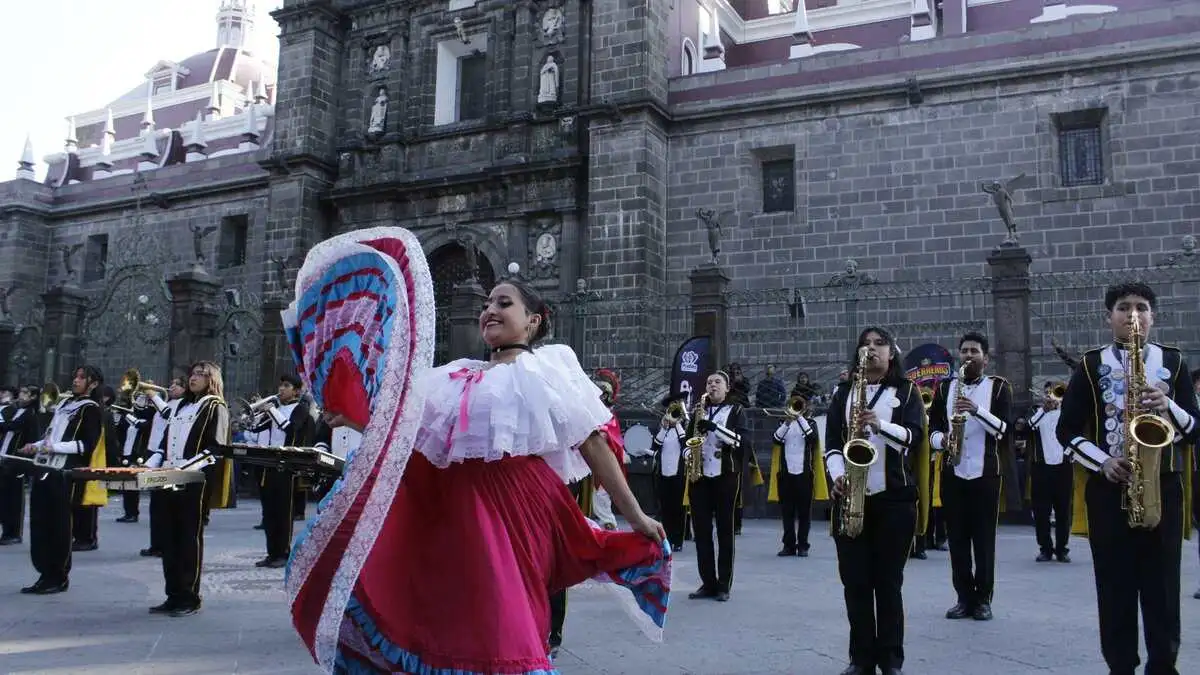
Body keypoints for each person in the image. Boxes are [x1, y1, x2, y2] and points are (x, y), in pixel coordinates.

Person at [283, 229, 669, 675]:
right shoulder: (453, 374)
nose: (489, 310)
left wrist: (635, 516)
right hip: (453, 515)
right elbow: (407, 432)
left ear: (534, 321)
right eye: (487, 303)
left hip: (516, 513)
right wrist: (353, 418)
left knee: (507, 626)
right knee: (456, 621)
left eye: (504, 303)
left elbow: (593, 439)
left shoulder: (547, 365)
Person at [1056, 282, 1198, 675]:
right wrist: (1102, 461)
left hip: (1163, 484)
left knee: (1164, 587)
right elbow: (1066, 431)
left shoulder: (1174, 361)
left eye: (1141, 308)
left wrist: (1166, 404)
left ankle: (1163, 664)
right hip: (1109, 485)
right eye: (1123, 308)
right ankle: (1120, 665)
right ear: (1109, 317)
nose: (1132, 315)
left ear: (1153, 316)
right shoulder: (1090, 364)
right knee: (1114, 585)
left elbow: (1194, 429)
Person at [824, 327, 926, 675]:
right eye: (865, 344)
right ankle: (861, 658)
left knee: (888, 583)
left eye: (879, 344)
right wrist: (838, 475)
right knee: (855, 583)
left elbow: (914, 437)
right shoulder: (843, 393)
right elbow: (832, 446)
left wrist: (880, 424)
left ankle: (891, 660)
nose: (872, 349)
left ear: (892, 353)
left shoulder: (907, 391)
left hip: (894, 498)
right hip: (851, 496)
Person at [928, 331, 1012, 622]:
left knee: (984, 539)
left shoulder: (998, 388)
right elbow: (932, 429)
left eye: (974, 351)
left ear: (985, 359)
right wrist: (943, 441)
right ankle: (963, 597)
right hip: (953, 471)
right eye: (964, 351)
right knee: (958, 540)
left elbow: (1004, 430)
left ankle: (983, 600)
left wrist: (976, 411)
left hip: (985, 474)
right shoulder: (944, 389)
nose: (968, 356)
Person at [146, 362, 230, 617]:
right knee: (168, 538)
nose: (194, 378)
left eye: (201, 374)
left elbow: (215, 450)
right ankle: (173, 594)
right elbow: (164, 444)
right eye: (193, 373)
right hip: (167, 476)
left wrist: (184, 468)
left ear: (212, 379)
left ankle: (189, 596)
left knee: (187, 537)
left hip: (193, 479)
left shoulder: (216, 406)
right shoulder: (182, 405)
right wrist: (150, 465)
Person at [17, 366, 104, 595]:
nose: (76, 380)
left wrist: (53, 447)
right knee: (40, 522)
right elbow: (50, 436)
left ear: (93, 384)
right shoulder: (65, 405)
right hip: (45, 467)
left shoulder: (91, 409)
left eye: (82, 377)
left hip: (64, 472)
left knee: (58, 525)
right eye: (75, 376)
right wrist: (35, 446)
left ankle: (58, 576)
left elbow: (86, 445)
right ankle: (44, 573)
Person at [685, 370, 746, 601]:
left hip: (725, 476)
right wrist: (688, 455)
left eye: (717, 382)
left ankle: (723, 584)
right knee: (701, 531)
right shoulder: (698, 411)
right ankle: (707, 582)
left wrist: (713, 428)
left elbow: (740, 441)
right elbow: (687, 440)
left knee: (724, 529)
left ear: (727, 388)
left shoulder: (736, 410)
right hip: (699, 476)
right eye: (709, 382)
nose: (712, 386)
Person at [251, 375, 315, 569]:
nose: (281, 389)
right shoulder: (276, 409)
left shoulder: (300, 409)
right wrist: (254, 415)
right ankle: (272, 553)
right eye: (280, 385)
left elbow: (291, 430)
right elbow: (255, 430)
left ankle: (283, 553)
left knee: (283, 512)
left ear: (296, 390)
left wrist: (272, 411)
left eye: (286, 386)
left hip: (286, 465)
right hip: (269, 463)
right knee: (269, 512)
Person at [768, 402, 821, 557]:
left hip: (804, 473)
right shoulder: (783, 423)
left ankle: (803, 545)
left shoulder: (811, 423)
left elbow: (812, 438)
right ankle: (788, 545)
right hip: (786, 474)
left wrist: (800, 419)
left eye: (798, 406)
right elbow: (776, 439)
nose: (795, 409)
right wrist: (787, 422)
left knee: (805, 513)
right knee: (787, 512)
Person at [1027, 379, 1072, 563]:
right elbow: (1029, 426)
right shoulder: (1035, 412)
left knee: (1063, 511)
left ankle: (1062, 549)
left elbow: (1073, 433)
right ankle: (1045, 548)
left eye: (1054, 392)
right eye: (1047, 393)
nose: (1051, 396)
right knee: (1041, 511)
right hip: (1041, 467)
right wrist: (1043, 410)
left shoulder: (1067, 412)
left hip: (1063, 467)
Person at [141, 377, 185, 558]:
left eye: (177, 384)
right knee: (155, 505)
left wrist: (154, 396)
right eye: (172, 383)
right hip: (154, 452)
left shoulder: (182, 405)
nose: (172, 386)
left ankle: (165, 544)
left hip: (168, 457)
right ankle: (156, 543)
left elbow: (169, 415)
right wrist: (146, 398)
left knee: (165, 505)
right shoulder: (167, 402)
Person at [0, 385, 40, 545]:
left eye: (25, 393)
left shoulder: (29, 414)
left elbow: (11, 426)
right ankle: (7, 529)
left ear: (33, 397)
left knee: (14, 497)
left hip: (18, 459)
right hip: (7, 456)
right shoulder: (18, 410)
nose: (21, 395)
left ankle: (13, 533)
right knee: (5, 496)